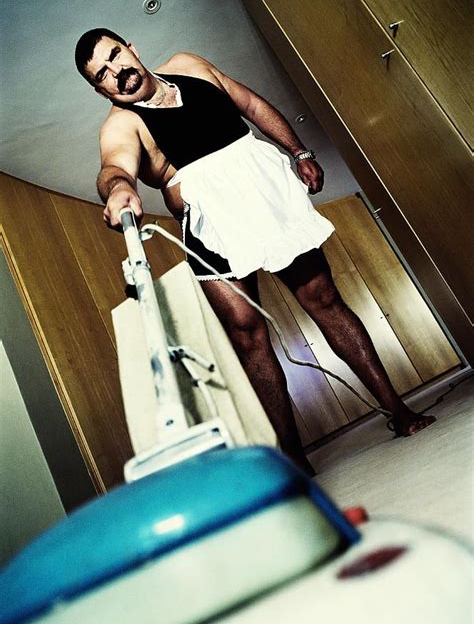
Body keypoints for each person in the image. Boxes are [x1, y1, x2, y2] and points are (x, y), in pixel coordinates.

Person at [75, 28, 435, 474]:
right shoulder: (121, 124)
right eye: (104, 75)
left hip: (267, 199)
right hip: (212, 227)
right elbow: (114, 164)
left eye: (115, 56)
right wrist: (118, 189)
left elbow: (250, 105)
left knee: (324, 300)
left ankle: (397, 411)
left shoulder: (188, 64)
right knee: (248, 336)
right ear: (100, 90)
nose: (119, 73)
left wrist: (298, 151)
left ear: (131, 46)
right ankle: (293, 461)